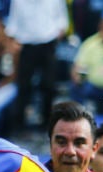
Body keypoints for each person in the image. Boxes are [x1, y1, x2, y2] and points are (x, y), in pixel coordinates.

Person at [5, 0, 68, 134]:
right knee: (23, 86)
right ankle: (19, 126)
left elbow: (63, 22)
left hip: (48, 44)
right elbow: (12, 25)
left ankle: (46, 124)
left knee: (49, 85)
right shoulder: (18, 2)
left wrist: (55, 37)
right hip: (26, 46)